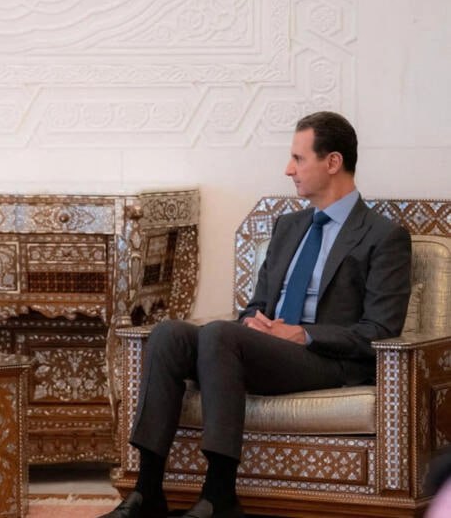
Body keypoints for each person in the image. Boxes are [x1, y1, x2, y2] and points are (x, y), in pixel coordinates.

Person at [100, 111, 413, 518]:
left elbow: (380, 329)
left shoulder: (383, 236)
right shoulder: (289, 226)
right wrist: (254, 321)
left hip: (326, 360)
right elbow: (257, 304)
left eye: (298, 158)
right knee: (169, 334)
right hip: (266, 349)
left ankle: (219, 495)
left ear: (333, 162)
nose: (288, 169)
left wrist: (302, 334)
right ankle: (147, 491)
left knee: (219, 334)